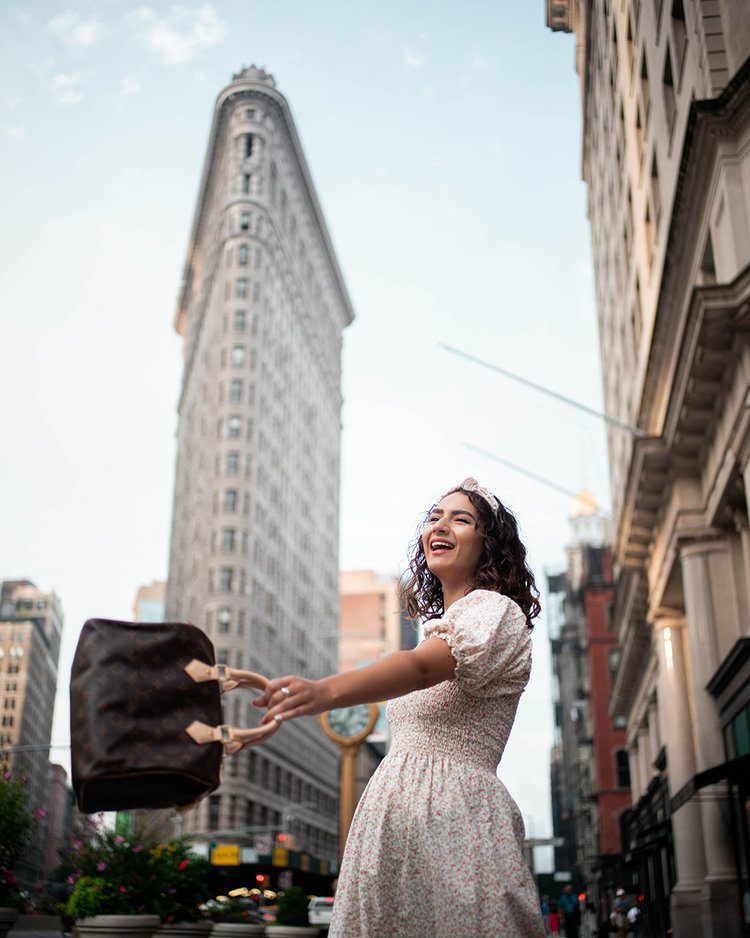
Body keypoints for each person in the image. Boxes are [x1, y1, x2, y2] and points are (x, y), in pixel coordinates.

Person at [253, 477, 546, 937]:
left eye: (461, 518)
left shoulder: (494, 612)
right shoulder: (440, 626)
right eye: (434, 517)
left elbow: (422, 669)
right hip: (395, 822)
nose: (441, 525)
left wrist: (327, 692)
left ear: (489, 544)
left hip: (455, 820)